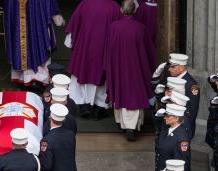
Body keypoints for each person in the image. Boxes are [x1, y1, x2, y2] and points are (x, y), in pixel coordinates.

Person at [105, 0, 153, 141]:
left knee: (120, 91)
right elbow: (148, 51)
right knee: (135, 95)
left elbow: (108, 49)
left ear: (121, 10)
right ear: (134, 11)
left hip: (118, 67)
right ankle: (132, 127)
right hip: (136, 68)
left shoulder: (113, 27)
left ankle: (122, 123)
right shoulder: (140, 28)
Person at [64, 0, 120, 118]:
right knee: (102, 78)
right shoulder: (114, 6)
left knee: (81, 72)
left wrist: (70, 42)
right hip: (103, 49)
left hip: (85, 47)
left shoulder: (85, 4)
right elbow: (118, 30)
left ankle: (83, 105)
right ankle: (100, 107)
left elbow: (75, 24)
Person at [3, 0, 64, 85]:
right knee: (39, 43)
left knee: (20, 41)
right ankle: (40, 79)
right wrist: (58, 20)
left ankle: (24, 77)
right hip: (39, 24)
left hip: (19, 24)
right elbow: (51, 5)